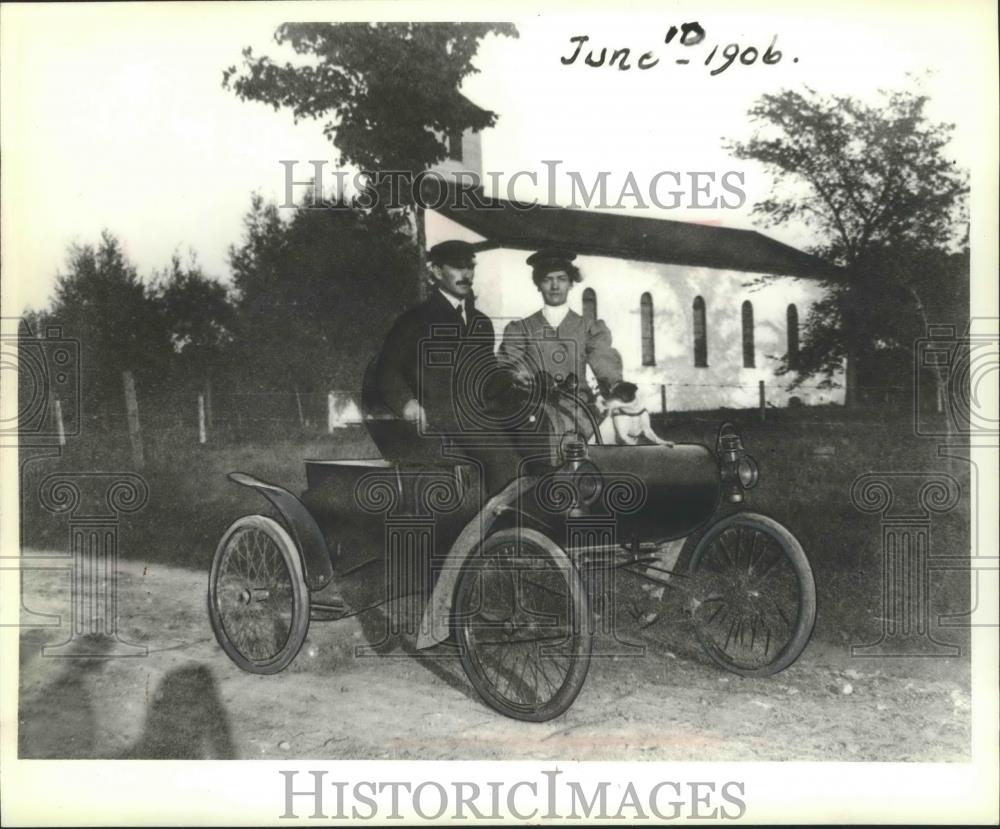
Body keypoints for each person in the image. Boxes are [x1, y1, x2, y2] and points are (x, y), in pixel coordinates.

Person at [373, 240, 522, 494]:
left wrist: (512, 377)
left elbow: (485, 379)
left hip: (477, 415)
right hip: (437, 418)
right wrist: (407, 403)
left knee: (535, 439)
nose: (466, 275)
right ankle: (502, 528)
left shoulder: (481, 323)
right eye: (457, 267)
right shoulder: (415, 320)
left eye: (470, 267)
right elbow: (387, 371)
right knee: (504, 460)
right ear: (436, 271)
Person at [499, 248, 623, 439]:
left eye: (561, 279)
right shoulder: (521, 329)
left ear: (571, 283)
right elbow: (509, 363)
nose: (555, 286)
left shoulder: (589, 328)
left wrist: (617, 386)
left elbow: (604, 362)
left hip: (580, 418)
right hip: (535, 418)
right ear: (538, 285)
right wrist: (517, 375)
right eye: (547, 279)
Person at [591, 381, 674, 446]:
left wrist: (661, 442)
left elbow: (647, 431)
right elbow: (623, 437)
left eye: (616, 397)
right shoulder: (618, 413)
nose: (613, 401)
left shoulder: (641, 410)